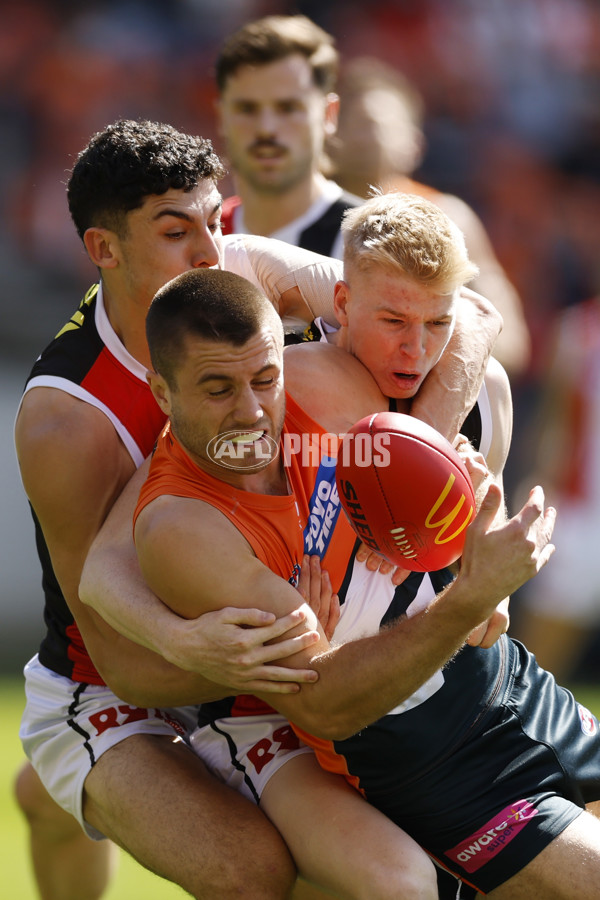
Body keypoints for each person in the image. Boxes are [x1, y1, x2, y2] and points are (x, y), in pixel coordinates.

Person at [15, 119, 500, 900]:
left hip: (259, 645)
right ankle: (69, 779)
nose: (211, 251)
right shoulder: (67, 419)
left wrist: (417, 461)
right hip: (129, 684)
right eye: (178, 233)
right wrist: (210, 648)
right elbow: (116, 655)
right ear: (104, 250)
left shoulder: (240, 266)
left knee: (403, 859)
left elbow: (468, 319)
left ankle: (58, 796)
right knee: (251, 870)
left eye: (215, 217)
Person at [84, 196, 600, 898]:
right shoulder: (184, 525)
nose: (250, 410)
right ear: (163, 395)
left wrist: (449, 486)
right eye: (216, 387)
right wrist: (470, 591)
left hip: (510, 683)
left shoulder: (329, 383)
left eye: (264, 380)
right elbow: (325, 706)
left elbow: (483, 346)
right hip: (427, 754)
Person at [328, 56, 531, 377]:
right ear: (330, 135)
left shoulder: (450, 217)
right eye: (356, 122)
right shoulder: (306, 214)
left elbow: (509, 338)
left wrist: (426, 350)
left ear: (415, 143)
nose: (369, 136)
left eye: (381, 124)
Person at [214, 14, 362, 259]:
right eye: (247, 109)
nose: (266, 128)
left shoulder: (372, 245)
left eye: (288, 108)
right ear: (221, 116)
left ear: (329, 114)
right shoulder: (198, 241)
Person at [513, 294, 600, 683]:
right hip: (582, 520)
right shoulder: (578, 330)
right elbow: (554, 425)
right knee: (537, 671)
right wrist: (536, 493)